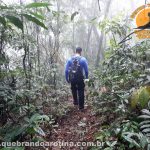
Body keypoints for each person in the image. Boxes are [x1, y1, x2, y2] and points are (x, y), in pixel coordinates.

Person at [65, 47, 88, 111]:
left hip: (72, 77)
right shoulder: (83, 59)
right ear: (81, 52)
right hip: (80, 78)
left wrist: (67, 78)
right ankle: (81, 107)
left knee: (73, 89)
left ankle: (75, 103)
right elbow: (86, 71)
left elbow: (66, 70)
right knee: (80, 90)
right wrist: (86, 78)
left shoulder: (70, 59)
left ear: (75, 51)